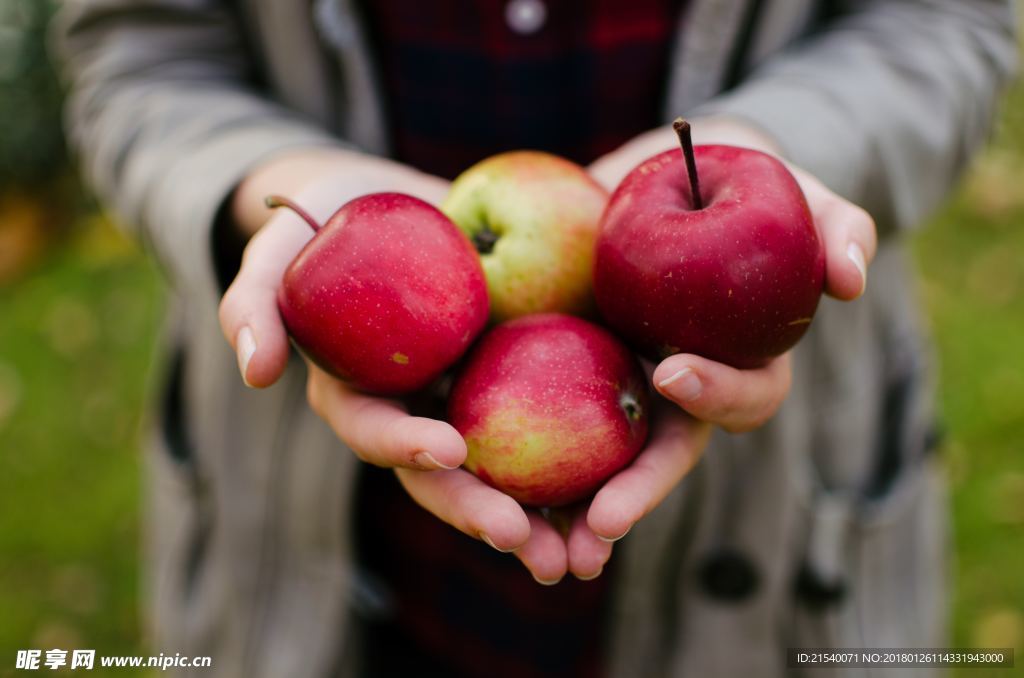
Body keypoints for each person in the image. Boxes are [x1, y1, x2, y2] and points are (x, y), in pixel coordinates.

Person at [54, 1, 1016, 676]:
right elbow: (137, 51)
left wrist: (771, 140)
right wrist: (262, 178)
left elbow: (946, 21)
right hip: (323, 543)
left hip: (777, 530)